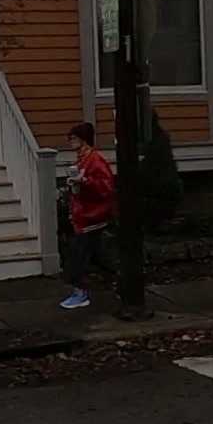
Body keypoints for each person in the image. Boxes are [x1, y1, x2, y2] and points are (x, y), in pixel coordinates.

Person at [58, 119, 116, 313]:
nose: (71, 141)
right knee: (98, 254)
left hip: (93, 215)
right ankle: (123, 280)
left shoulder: (95, 160)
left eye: (75, 138)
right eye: (70, 138)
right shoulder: (83, 160)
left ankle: (80, 291)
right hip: (85, 215)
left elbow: (106, 187)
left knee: (78, 254)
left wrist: (85, 182)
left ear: (84, 139)